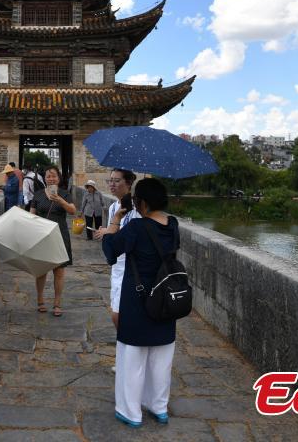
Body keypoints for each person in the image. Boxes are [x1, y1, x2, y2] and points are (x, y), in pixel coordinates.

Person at [101, 177, 177, 428]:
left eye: (135, 200)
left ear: (142, 203)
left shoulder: (136, 228)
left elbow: (110, 250)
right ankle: (159, 407)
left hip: (137, 298)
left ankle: (131, 411)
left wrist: (115, 222)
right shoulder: (173, 225)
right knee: (161, 357)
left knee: (131, 358)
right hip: (164, 298)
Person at [94, 169, 140, 329]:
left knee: (118, 315)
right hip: (117, 266)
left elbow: (133, 237)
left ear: (128, 183)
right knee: (116, 312)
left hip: (131, 267)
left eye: (117, 180)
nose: (112, 184)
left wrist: (109, 233)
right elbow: (112, 235)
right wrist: (105, 232)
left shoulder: (137, 209)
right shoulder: (114, 207)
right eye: (110, 180)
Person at [29, 166, 77, 317]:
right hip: (41, 236)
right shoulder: (37, 195)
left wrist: (60, 200)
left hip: (59, 235)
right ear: (45, 178)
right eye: (48, 176)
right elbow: (32, 215)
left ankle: (57, 303)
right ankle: (40, 300)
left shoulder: (65, 194)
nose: (51, 179)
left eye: (54, 176)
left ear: (59, 178)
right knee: (41, 270)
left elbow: (72, 210)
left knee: (59, 271)